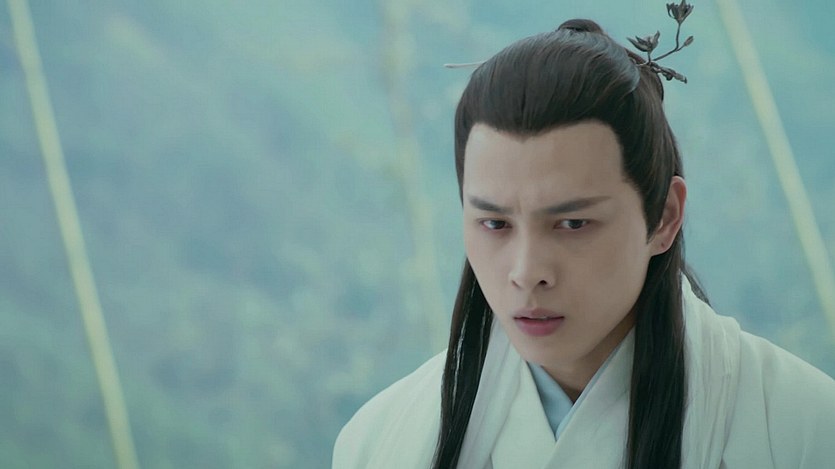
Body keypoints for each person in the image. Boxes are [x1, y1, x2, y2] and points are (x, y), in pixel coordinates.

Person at [332, 11, 835, 469]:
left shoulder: (803, 431)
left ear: (664, 217)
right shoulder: (379, 442)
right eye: (495, 224)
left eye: (573, 224)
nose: (527, 272)